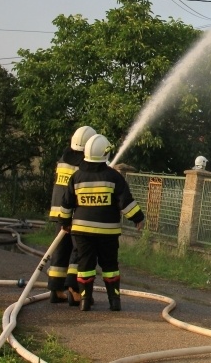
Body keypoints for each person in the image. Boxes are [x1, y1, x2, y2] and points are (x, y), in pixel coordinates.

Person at [59, 134, 145, 311]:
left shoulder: (76, 177)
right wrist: (138, 218)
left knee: (85, 266)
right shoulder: (114, 176)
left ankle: (85, 301)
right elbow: (125, 201)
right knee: (110, 266)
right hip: (108, 232)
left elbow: (66, 203)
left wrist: (65, 222)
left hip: (82, 232)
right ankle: (114, 302)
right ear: (105, 153)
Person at [47, 125, 96, 304]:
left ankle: (56, 289)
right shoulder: (82, 165)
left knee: (60, 251)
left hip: (58, 213)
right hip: (75, 215)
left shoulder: (63, 159)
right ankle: (74, 290)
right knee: (79, 251)